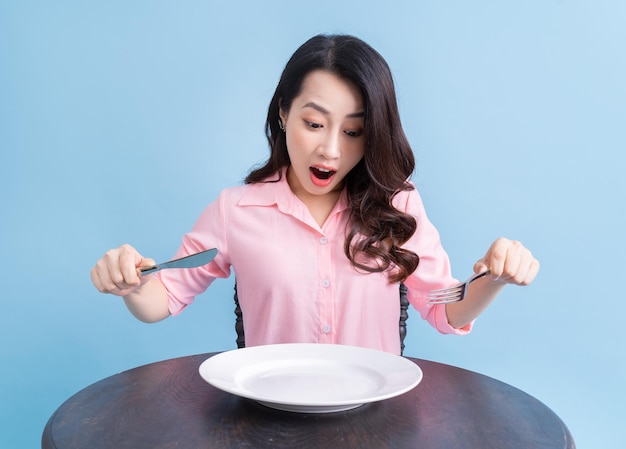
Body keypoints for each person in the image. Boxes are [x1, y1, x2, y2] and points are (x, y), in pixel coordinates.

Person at [91, 34, 539, 355]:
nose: (330, 148)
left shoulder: (397, 204)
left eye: (353, 131)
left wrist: (494, 278)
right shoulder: (235, 210)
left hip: (372, 421)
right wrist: (132, 283)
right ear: (284, 113)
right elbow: (162, 299)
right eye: (314, 123)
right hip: (270, 421)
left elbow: (447, 311)